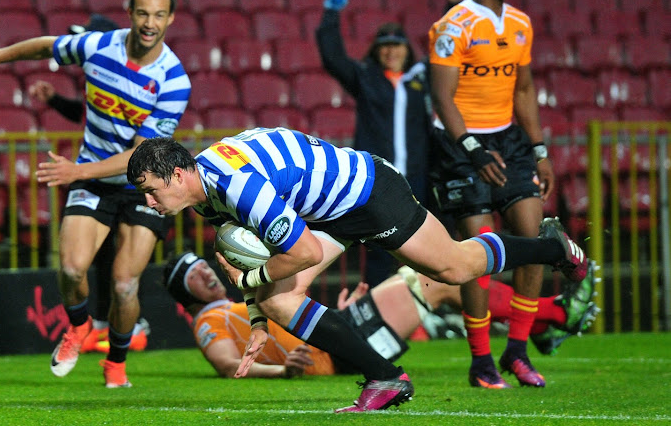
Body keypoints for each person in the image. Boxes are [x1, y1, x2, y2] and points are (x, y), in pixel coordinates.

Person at [125, 127, 588, 412]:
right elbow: (266, 257)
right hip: (329, 206)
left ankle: (550, 248)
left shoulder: (236, 187)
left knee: (455, 267)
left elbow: (302, 254)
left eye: (150, 191)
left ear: (179, 174)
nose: (149, 203)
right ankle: (385, 378)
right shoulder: (206, 194)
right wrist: (258, 316)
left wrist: (250, 282)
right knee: (278, 300)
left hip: (367, 195)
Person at [0, 0, 191, 388]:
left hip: (143, 186)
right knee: (70, 267)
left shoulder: (173, 81)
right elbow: (46, 45)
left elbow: (140, 155)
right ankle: (79, 327)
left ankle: (116, 363)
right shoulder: (98, 46)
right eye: (143, 13)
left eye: (159, 15)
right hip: (94, 179)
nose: (150, 23)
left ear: (170, 19)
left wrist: (78, 172)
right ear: (130, 13)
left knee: (125, 283)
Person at [427, 0, 557, 389]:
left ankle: (517, 353)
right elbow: (441, 97)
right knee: (478, 253)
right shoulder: (452, 25)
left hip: (510, 140)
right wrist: (472, 150)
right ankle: (481, 361)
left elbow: (523, 91)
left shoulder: (521, 24)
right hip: (459, 144)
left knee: (534, 239)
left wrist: (538, 150)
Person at [163, 252, 598, 379]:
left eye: (203, 265)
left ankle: (546, 323)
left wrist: (335, 318)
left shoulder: (242, 299)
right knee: (440, 282)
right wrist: (282, 373)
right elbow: (224, 364)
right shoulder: (208, 320)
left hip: (334, 339)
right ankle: (555, 314)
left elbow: (291, 319)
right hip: (327, 359)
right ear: (184, 291)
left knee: (432, 280)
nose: (205, 271)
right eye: (194, 274)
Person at [315, 0, 462, 287]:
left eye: (396, 45)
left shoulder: (420, 76)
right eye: (384, 47)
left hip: (418, 176)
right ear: (376, 52)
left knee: (425, 245)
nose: (391, 52)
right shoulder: (366, 78)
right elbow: (332, 56)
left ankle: (426, 313)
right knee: (382, 248)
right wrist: (331, 11)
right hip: (378, 178)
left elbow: (450, 42)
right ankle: (380, 314)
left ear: (405, 49)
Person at [28, 79, 149, 354]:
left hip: (131, 183)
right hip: (98, 184)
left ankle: (132, 330)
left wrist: (80, 171)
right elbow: (84, 112)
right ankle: (97, 324)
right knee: (93, 261)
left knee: (125, 273)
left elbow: (139, 148)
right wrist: (55, 100)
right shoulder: (97, 87)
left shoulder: (136, 86)